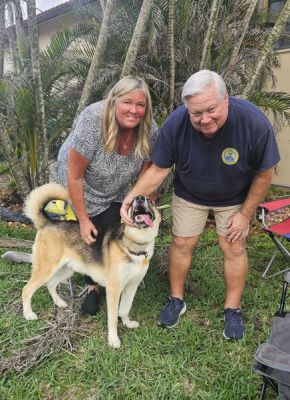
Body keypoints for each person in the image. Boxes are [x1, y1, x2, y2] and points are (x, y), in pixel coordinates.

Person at [120, 70, 280, 340]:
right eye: (196, 113)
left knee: (233, 246)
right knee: (181, 244)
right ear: (187, 110)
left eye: (211, 109)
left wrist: (244, 215)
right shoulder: (176, 124)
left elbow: (265, 174)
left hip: (235, 197)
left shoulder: (253, 122)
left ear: (225, 98)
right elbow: (159, 169)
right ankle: (176, 299)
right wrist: (131, 197)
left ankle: (233, 309)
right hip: (190, 194)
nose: (204, 119)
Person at [56, 76, 158, 316]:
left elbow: (147, 175)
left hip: (117, 184)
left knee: (114, 226)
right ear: (113, 102)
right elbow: (75, 177)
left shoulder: (150, 129)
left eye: (140, 105)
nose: (134, 110)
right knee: (89, 234)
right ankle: (92, 287)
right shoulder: (93, 120)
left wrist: (144, 205)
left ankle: (117, 271)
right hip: (80, 181)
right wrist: (82, 219)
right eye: (127, 102)